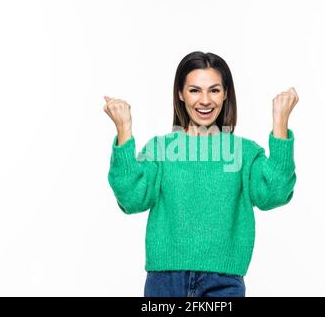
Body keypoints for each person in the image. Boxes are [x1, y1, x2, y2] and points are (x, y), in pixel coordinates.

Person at [103, 51, 299, 297]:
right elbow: (131, 199)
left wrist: (280, 122)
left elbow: (275, 194)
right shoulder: (160, 150)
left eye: (214, 90)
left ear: (226, 93)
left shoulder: (244, 152)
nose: (205, 100)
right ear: (180, 94)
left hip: (224, 283)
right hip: (165, 283)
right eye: (195, 90)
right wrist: (124, 129)